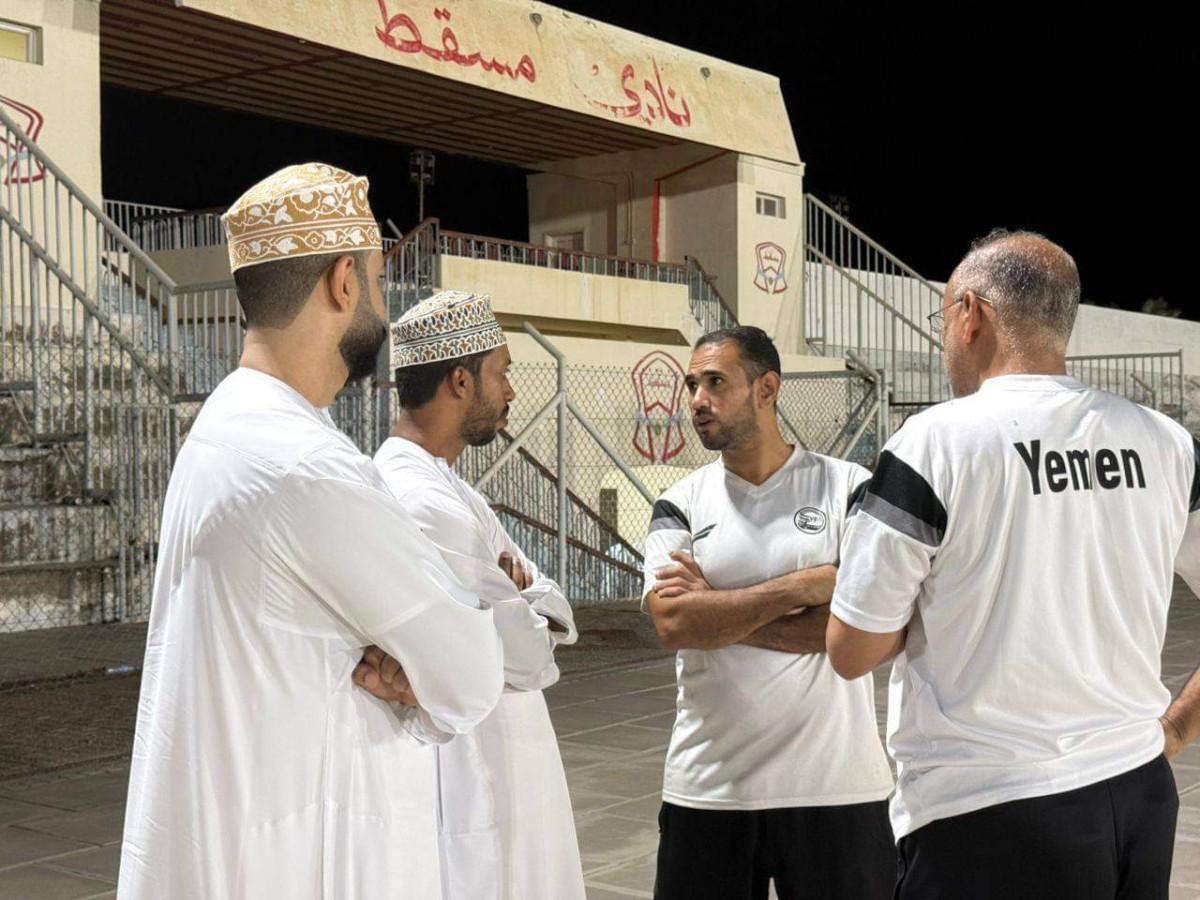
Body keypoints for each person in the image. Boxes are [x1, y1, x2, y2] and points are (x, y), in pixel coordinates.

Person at [117, 164, 504, 900]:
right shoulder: (307, 466)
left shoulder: (226, 429)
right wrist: (421, 669)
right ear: (343, 283)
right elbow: (473, 671)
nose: (384, 310)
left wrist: (417, 665)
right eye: (379, 284)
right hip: (297, 861)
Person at [827, 229, 1199, 899]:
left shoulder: (934, 444)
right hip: (1139, 792)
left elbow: (852, 649)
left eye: (945, 318)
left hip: (987, 813)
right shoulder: (1165, 443)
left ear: (973, 315)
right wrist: (1173, 728)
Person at [641, 326, 895, 900]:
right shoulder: (679, 503)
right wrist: (801, 586)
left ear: (767, 388)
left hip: (837, 788)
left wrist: (718, 612)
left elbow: (857, 628)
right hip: (710, 788)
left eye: (715, 383)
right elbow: (673, 624)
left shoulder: (848, 487)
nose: (697, 400)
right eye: (691, 385)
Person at [365, 291, 585, 900]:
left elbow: (552, 609)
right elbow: (528, 657)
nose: (511, 391)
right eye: (502, 372)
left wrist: (527, 606)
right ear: (460, 381)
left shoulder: (451, 489)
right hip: (466, 772)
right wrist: (524, 608)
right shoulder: (423, 501)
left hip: (498, 755)